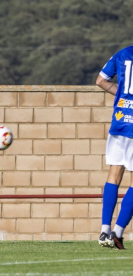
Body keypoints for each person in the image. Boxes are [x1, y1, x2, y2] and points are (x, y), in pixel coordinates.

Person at [96, 45, 133, 250]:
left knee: (114, 174)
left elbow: (100, 81)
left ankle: (104, 230)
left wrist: (119, 95)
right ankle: (117, 232)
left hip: (119, 121)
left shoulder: (123, 53)